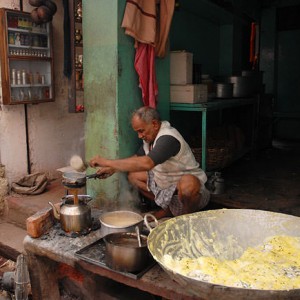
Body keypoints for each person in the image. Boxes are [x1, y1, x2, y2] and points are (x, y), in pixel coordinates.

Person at [89, 106, 210, 219]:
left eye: (141, 131)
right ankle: (168, 209)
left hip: (194, 195)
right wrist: (112, 169)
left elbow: (147, 163)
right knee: (133, 176)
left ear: (154, 124)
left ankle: (185, 219)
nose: (139, 136)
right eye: (137, 132)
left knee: (189, 182)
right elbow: (136, 158)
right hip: (168, 186)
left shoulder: (168, 138)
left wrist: (106, 161)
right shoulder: (150, 140)